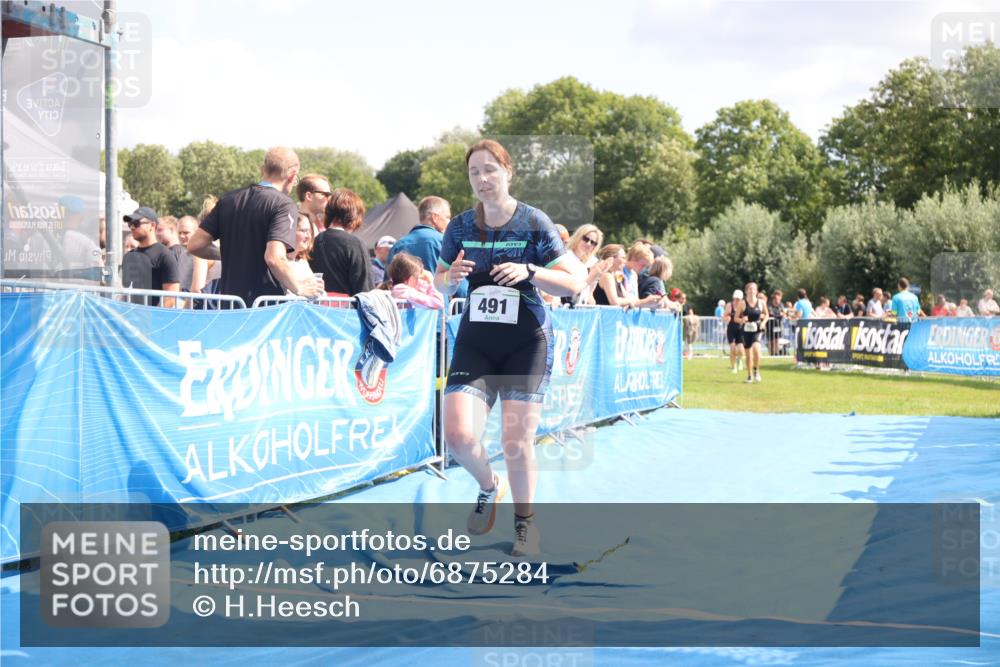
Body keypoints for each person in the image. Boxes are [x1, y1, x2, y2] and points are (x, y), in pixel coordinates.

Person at [434, 140, 585, 557]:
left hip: (526, 340)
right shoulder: (461, 227)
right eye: (473, 173)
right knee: (459, 436)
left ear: (508, 172)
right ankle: (489, 485)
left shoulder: (535, 223)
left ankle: (525, 525)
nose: (481, 179)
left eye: (489, 170)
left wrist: (531, 271)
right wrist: (450, 278)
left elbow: (575, 281)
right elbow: (439, 279)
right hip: (477, 340)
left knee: (517, 441)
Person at [188, 147, 323, 305]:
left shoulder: (229, 200)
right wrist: (299, 287)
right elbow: (274, 257)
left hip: (230, 304)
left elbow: (195, 245)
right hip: (264, 308)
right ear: (292, 176)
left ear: (263, 169)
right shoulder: (284, 204)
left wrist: (231, 254)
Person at [310, 188, 373, 296]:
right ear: (354, 215)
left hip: (317, 307)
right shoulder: (355, 244)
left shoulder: (313, 241)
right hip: (346, 309)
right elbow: (364, 287)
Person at [122, 206, 180, 307]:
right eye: (130, 223)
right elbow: (126, 292)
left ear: (152, 225)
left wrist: (153, 318)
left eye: (136, 223)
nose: (132, 227)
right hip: (132, 317)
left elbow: (171, 296)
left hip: (154, 318)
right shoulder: (129, 256)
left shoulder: (165, 255)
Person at [562, 223, 606, 305]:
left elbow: (589, 297)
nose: (588, 244)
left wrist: (595, 278)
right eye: (586, 239)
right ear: (578, 236)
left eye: (593, 243)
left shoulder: (584, 266)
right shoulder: (565, 256)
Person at [734, 282, 768, 383]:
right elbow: (735, 318)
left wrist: (763, 323)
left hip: (757, 329)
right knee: (748, 355)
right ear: (746, 291)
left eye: (753, 289)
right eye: (750, 289)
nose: (752, 290)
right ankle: (749, 375)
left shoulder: (761, 302)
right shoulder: (742, 303)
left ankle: (756, 370)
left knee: (757, 350)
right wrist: (741, 320)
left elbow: (766, 315)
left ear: (756, 291)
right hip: (746, 331)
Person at [285, 213, 316, 295]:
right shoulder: (279, 262)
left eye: (309, 231)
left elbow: (315, 294)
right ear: (290, 231)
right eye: (304, 231)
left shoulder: (302, 263)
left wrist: (319, 289)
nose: (309, 236)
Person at [724, 289, 744, 373]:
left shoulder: (743, 306)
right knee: (732, 349)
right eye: (735, 298)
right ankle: (733, 367)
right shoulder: (729, 305)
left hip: (740, 329)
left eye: (738, 299)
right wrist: (727, 318)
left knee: (741, 350)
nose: (736, 301)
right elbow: (724, 316)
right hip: (731, 328)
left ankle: (739, 359)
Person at [767, 289, 784, 356]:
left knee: (777, 340)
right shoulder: (769, 304)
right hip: (770, 325)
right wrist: (778, 314)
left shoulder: (781, 305)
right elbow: (770, 313)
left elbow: (783, 313)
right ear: (774, 297)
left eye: (780, 297)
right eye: (777, 297)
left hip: (778, 325)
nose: (779, 299)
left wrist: (779, 314)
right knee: (771, 341)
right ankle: (771, 354)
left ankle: (776, 354)